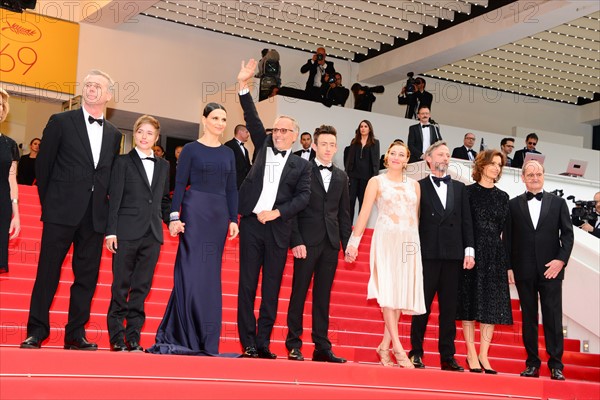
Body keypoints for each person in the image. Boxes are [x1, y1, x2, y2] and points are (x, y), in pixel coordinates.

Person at [20, 70, 122, 350]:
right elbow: (44, 165)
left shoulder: (114, 134)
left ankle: (75, 334)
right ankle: (36, 331)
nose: (91, 89)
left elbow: (107, 173)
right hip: (61, 212)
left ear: (109, 95)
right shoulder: (61, 121)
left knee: (87, 278)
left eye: (97, 86)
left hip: (94, 216)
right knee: (47, 273)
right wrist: (49, 203)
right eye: (87, 85)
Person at [147, 103, 239, 356]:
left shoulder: (228, 153)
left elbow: (232, 188)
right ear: (204, 119)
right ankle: (183, 332)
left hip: (219, 215)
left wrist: (233, 219)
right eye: (215, 118)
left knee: (210, 276)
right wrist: (174, 216)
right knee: (190, 271)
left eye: (224, 118)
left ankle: (205, 337)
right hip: (195, 212)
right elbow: (179, 183)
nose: (220, 123)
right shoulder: (190, 150)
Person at [236, 59, 311, 359]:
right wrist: (244, 85)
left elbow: (303, 198)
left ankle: (264, 342)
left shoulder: (302, 166)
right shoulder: (263, 145)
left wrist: (277, 213)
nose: (278, 134)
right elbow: (252, 117)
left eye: (284, 131)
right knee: (246, 285)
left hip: (279, 230)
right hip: (252, 224)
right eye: (276, 129)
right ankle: (248, 343)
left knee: (271, 288)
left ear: (295, 136)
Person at [346, 141, 426, 368]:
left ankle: (383, 347)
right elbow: (364, 214)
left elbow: (416, 218)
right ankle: (398, 349)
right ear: (386, 156)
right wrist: (354, 242)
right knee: (389, 293)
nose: (397, 157)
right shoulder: (376, 181)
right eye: (393, 153)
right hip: (386, 241)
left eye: (402, 154)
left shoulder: (414, 185)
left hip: (409, 243)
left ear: (407, 159)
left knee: (399, 297)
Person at [105, 115, 171, 352]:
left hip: (152, 234)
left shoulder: (164, 165)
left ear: (156, 137)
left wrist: (172, 219)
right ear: (135, 134)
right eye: (140, 132)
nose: (144, 137)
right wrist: (110, 232)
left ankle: (133, 337)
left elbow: (163, 200)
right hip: (125, 232)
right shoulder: (122, 162)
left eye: (149, 133)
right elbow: (114, 199)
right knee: (120, 286)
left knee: (141, 288)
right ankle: (116, 336)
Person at [286, 125, 351, 363]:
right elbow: (292, 208)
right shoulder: (302, 170)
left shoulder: (342, 176)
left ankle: (322, 347)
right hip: (306, 242)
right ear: (314, 146)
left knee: (323, 297)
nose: (328, 148)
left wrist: (347, 244)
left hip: (330, 244)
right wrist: (296, 241)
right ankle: (294, 344)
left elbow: (344, 214)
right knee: (299, 294)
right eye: (323, 144)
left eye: (332, 144)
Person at [408, 140, 475, 371]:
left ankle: (448, 356)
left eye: (447, 155)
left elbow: (467, 221)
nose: (445, 158)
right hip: (427, 254)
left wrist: (469, 250)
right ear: (429, 159)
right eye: (441, 154)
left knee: (449, 308)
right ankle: (416, 352)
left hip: (454, 256)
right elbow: (412, 222)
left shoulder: (460, 188)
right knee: (421, 307)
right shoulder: (418, 186)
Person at [508, 160, 574, 381]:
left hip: (551, 271)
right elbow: (507, 239)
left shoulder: (558, 203)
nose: (535, 177)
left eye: (538, 174)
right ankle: (532, 364)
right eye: (530, 174)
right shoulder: (513, 204)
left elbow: (567, 235)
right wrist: (508, 267)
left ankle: (556, 365)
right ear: (524, 178)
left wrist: (560, 261)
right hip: (523, 270)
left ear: (544, 176)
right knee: (528, 318)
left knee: (553, 318)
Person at [456, 150, 513, 374]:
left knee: (491, 307)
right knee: (469, 304)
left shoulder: (503, 197)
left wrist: (508, 264)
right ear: (481, 165)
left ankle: (484, 354)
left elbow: (505, 234)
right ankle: (470, 352)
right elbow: (463, 226)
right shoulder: (466, 193)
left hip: (495, 255)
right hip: (471, 253)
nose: (496, 168)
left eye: (499, 165)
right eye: (493, 164)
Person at [0, 88, 20, 274]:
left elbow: (11, 179)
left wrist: (16, 214)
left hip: (2, 206)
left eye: (0, 104)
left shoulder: (10, 145)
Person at [343, 120, 380, 220]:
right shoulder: (355, 142)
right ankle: (348, 227)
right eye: (361, 127)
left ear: (369, 128)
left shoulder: (375, 143)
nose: (363, 128)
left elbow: (376, 161)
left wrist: (374, 177)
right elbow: (349, 159)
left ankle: (360, 227)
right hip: (353, 176)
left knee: (363, 202)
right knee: (350, 200)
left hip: (366, 177)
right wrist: (347, 174)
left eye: (365, 126)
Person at [224, 125, 252, 189]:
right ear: (240, 132)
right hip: (232, 184)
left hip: (243, 185)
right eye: (247, 132)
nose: (248, 134)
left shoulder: (245, 150)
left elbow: (247, 166)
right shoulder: (229, 145)